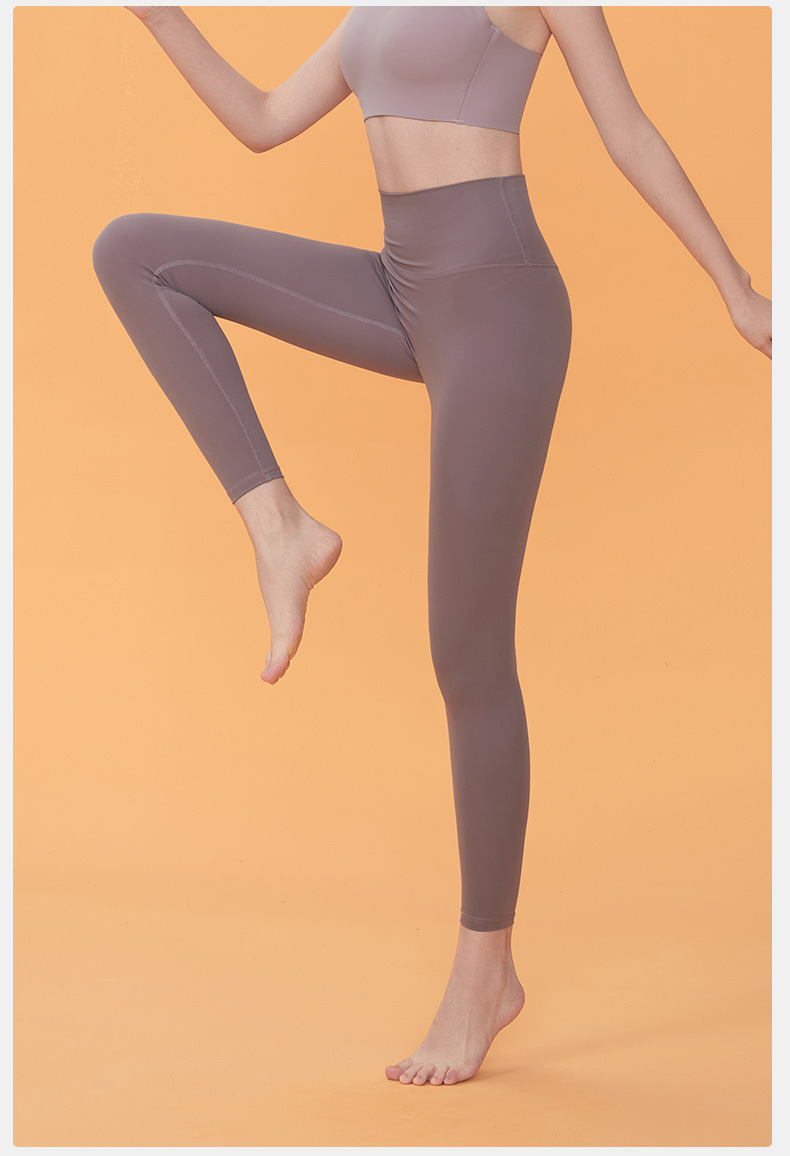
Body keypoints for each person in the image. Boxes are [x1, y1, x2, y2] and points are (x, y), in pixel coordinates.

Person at [91, 5, 771, 1088]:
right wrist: (156, 12)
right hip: (401, 287)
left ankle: (485, 972)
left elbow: (629, 130)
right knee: (138, 252)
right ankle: (282, 528)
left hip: (500, 308)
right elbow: (261, 121)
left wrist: (736, 288)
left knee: (465, 650)